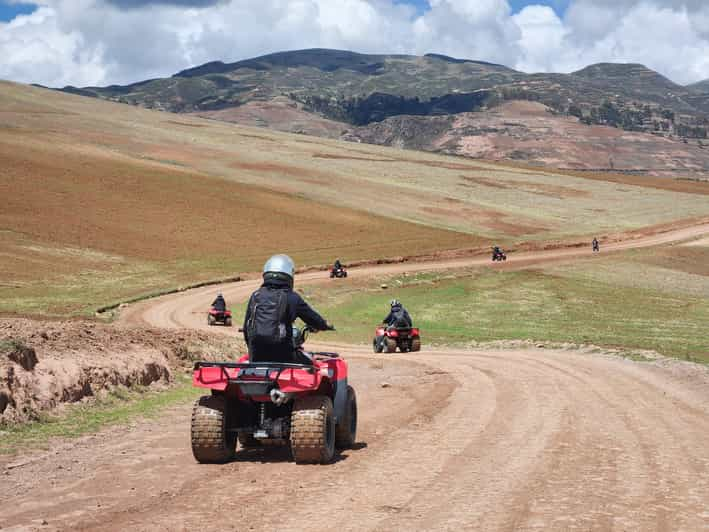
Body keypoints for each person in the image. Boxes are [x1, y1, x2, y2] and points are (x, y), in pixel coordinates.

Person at [243, 254, 332, 363]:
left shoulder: (255, 295)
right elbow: (312, 318)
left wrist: (252, 351)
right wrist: (324, 325)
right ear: (289, 276)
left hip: (256, 357)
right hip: (284, 356)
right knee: (314, 366)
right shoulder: (292, 297)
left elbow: (246, 328)